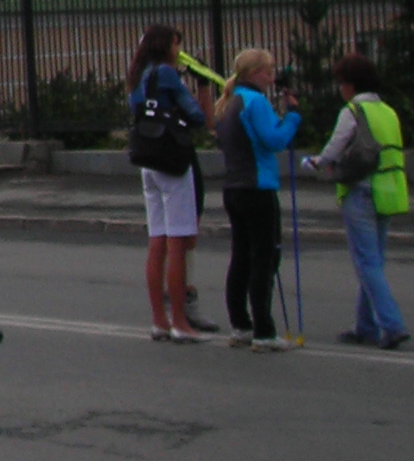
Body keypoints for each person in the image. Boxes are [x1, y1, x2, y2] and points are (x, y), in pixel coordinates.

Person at [302, 53, 410, 349]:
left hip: (361, 190)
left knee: (366, 262)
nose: (340, 88)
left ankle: (392, 325)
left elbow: (334, 147)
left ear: (350, 84)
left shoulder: (353, 110)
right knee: (374, 261)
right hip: (389, 190)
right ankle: (365, 327)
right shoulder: (388, 111)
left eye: (341, 82)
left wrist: (315, 162)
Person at [210, 49, 299, 352]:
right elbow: (274, 140)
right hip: (258, 187)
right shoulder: (255, 101)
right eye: (268, 72)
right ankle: (264, 330)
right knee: (264, 257)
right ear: (254, 73)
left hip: (234, 187)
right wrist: (292, 117)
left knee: (241, 257)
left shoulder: (229, 101)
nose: (272, 78)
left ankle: (240, 325)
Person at [125, 25, 208, 342]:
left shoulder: (138, 74)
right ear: (164, 45)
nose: (179, 49)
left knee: (156, 241)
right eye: (176, 44)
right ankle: (180, 323)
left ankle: (159, 320)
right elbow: (196, 116)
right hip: (172, 159)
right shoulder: (166, 74)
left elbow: (138, 108)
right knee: (177, 242)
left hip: (147, 158)